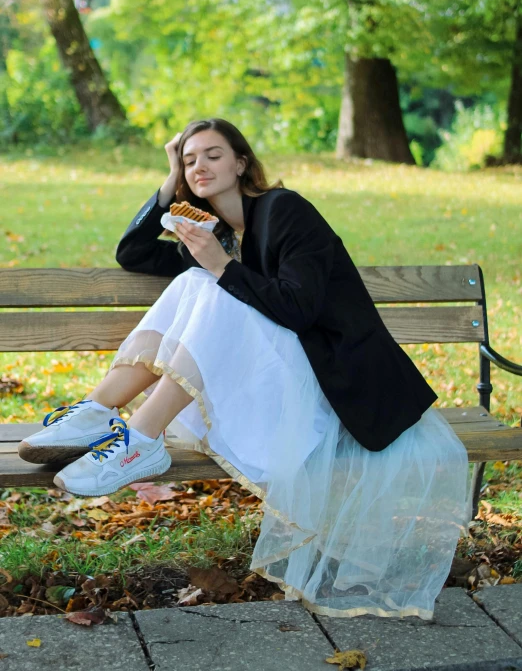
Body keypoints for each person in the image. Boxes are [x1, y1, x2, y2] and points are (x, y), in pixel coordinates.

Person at [18, 118, 470, 619]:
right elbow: (134, 253)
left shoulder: (285, 211)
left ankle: (141, 438)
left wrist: (218, 266)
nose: (199, 167)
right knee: (195, 283)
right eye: (189, 160)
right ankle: (100, 412)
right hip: (271, 384)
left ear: (241, 163)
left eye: (212, 155)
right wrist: (173, 183)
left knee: (207, 285)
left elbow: (300, 310)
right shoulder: (218, 234)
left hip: (334, 389)